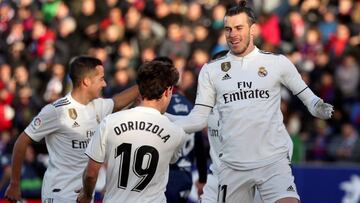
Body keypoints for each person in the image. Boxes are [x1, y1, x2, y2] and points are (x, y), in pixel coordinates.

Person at [170, 1, 334, 203]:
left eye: (239, 28)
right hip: (233, 167)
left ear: (253, 29)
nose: (233, 34)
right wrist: (167, 123)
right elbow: (199, 117)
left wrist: (318, 106)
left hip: (273, 163)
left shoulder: (277, 63)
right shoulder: (211, 70)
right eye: (228, 29)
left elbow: (308, 97)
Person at [5, 56, 139, 202]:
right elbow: (22, 141)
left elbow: (118, 101)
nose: (105, 84)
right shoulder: (57, 110)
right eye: (101, 79)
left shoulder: (98, 106)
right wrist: (14, 183)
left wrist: (145, 83)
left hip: (84, 197)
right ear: (86, 81)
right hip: (59, 195)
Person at [76, 60, 187, 203]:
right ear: (167, 91)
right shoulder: (176, 132)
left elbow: (91, 173)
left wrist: (87, 195)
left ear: (140, 89)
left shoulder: (110, 122)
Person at [154, 56, 207, 203]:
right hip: (185, 175)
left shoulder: (157, 108)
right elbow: (199, 146)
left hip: (164, 175)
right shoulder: (189, 104)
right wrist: (202, 178)